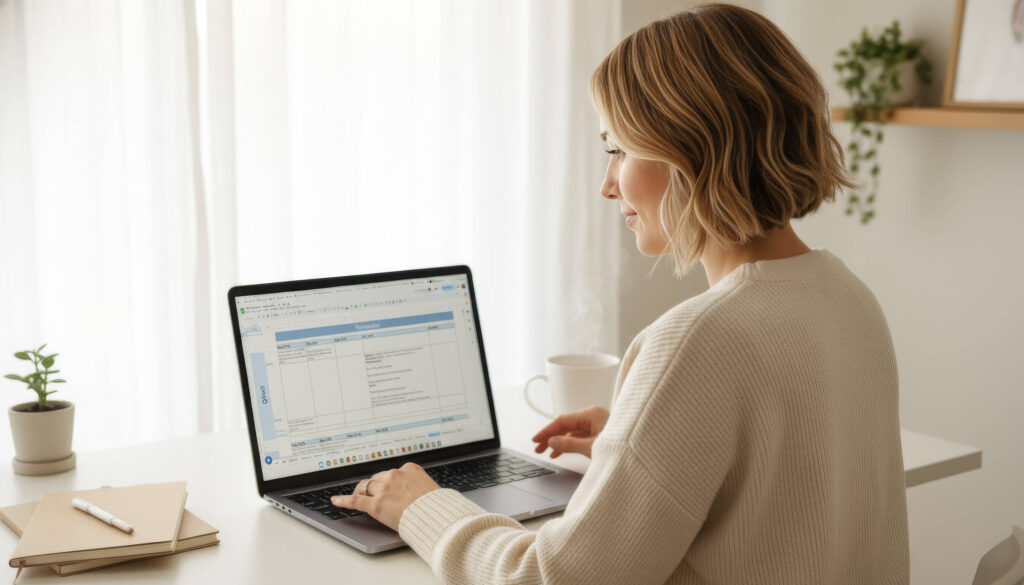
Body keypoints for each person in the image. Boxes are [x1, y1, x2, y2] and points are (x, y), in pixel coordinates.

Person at [332, 3, 910, 583]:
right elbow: (787, 493)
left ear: (691, 147)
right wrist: (631, 442)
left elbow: (549, 578)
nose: (608, 186)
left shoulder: (696, 341)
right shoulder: (849, 299)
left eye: (618, 149)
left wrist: (422, 507)